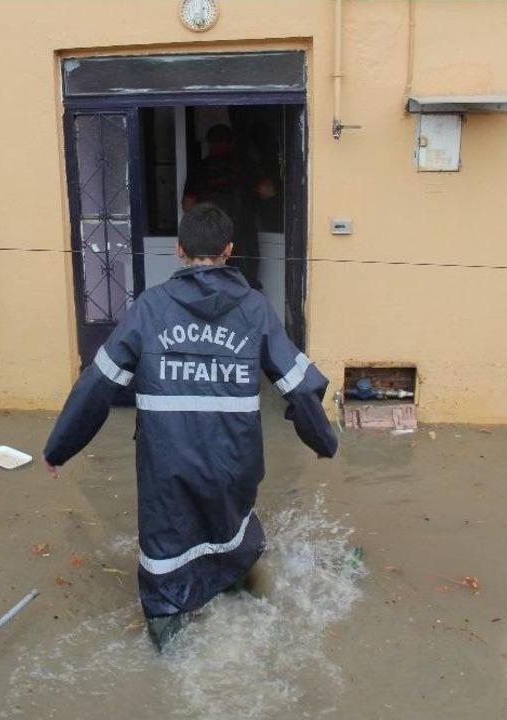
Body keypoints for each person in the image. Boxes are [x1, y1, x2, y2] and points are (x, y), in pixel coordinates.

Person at [43, 203, 339, 652]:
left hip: (167, 465)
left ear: (179, 251)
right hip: (233, 462)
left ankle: (168, 636)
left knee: (166, 555)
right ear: (230, 250)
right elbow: (299, 386)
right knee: (232, 531)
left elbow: (98, 385)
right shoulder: (255, 309)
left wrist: (59, 448)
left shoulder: (149, 309)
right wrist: (321, 440)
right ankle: (237, 589)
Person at [181, 124, 262, 289]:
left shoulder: (200, 169)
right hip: (244, 237)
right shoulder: (245, 167)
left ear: (208, 143)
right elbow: (267, 190)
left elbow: (187, 205)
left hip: (210, 238)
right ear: (232, 143)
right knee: (245, 286)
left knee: (210, 286)